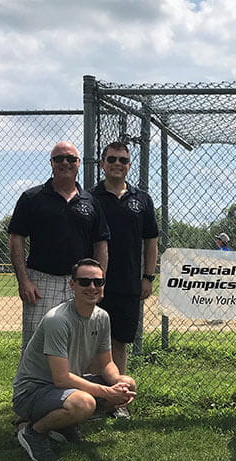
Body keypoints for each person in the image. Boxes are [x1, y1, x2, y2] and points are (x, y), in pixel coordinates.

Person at [13, 258, 137, 461]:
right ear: (72, 285)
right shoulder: (57, 320)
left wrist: (118, 385)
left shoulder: (102, 317)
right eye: (84, 282)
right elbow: (61, 379)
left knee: (127, 382)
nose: (92, 287)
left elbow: (107, 363)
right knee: (83, 403)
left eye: (98, 282)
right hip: (33, 391)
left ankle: (65, 425)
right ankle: (32, 432)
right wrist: (107, 392)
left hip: (64, 390)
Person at [8, 141, 110, 352]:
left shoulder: (90, 202)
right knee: (36, 343)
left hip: (80, 282)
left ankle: (70, 385)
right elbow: (16, 238)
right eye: (59, 159)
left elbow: (101, 244)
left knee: (78, 343)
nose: (65, 163)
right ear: (51, 163)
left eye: (71, 158)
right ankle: (32, 385)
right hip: (42, 280)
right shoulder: (32, 198)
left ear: (79, 163)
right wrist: (24, 280)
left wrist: (97, 282)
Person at [90, 142, 158, 380]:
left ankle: (116, 397)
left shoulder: (142, 200)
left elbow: (151, 241)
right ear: (102, 164)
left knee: (119, 342)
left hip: (128, 282)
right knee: (90, 340)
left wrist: (148, 277)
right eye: (111, 159)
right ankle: (92, 397)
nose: (117, 164)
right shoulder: (90, 198)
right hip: (94, 283)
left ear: (129, 166)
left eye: (122, 160)